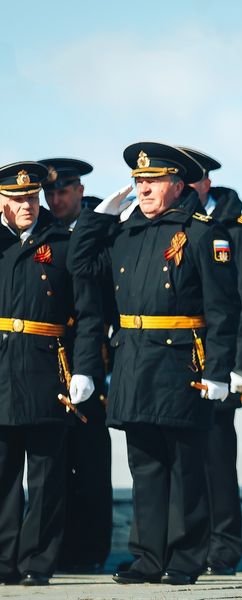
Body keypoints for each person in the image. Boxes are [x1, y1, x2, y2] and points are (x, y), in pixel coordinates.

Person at [68, 142, 240, 585]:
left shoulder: (202, 234)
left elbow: (224, 310)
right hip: (133, 360)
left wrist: (219, 371)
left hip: (181, 364)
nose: (143, 189)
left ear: (177, 186)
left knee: (185, 468)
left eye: (153, 181)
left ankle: (184, 559)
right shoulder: (125, 233)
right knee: (144, 467)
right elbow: (79, 264)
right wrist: (98, 218)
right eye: (139, 181)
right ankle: (147, 557)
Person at [0, 161, 104, 585]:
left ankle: (36, 562)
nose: (27, 205)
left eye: (31, 197)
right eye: (17, 199)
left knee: (46, 475)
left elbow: (89, 313)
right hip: (2, 369)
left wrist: (86, 369)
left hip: (48, 369)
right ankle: (4, 560)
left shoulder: (63, 241)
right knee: (3, 473)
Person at [179, 146, 242, 576]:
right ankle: (186, 544)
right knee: (181, 458)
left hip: (221, 357)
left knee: (216, 457)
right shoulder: (174, 225)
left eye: (191, 180)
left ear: (205, 183)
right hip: (177, 358)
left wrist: (241, 365)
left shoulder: (236, 229)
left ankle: (224, 546)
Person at [35, 157, 115, 574]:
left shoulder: (103, 226)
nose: (55, 199)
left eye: (63, 191)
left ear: (80, 191)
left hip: (92, 352)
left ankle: (91, 549)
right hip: (49, 352)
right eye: (49, 192)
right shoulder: (43, 231)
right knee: (53, 457)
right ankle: (57, 547)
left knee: (90, 459)